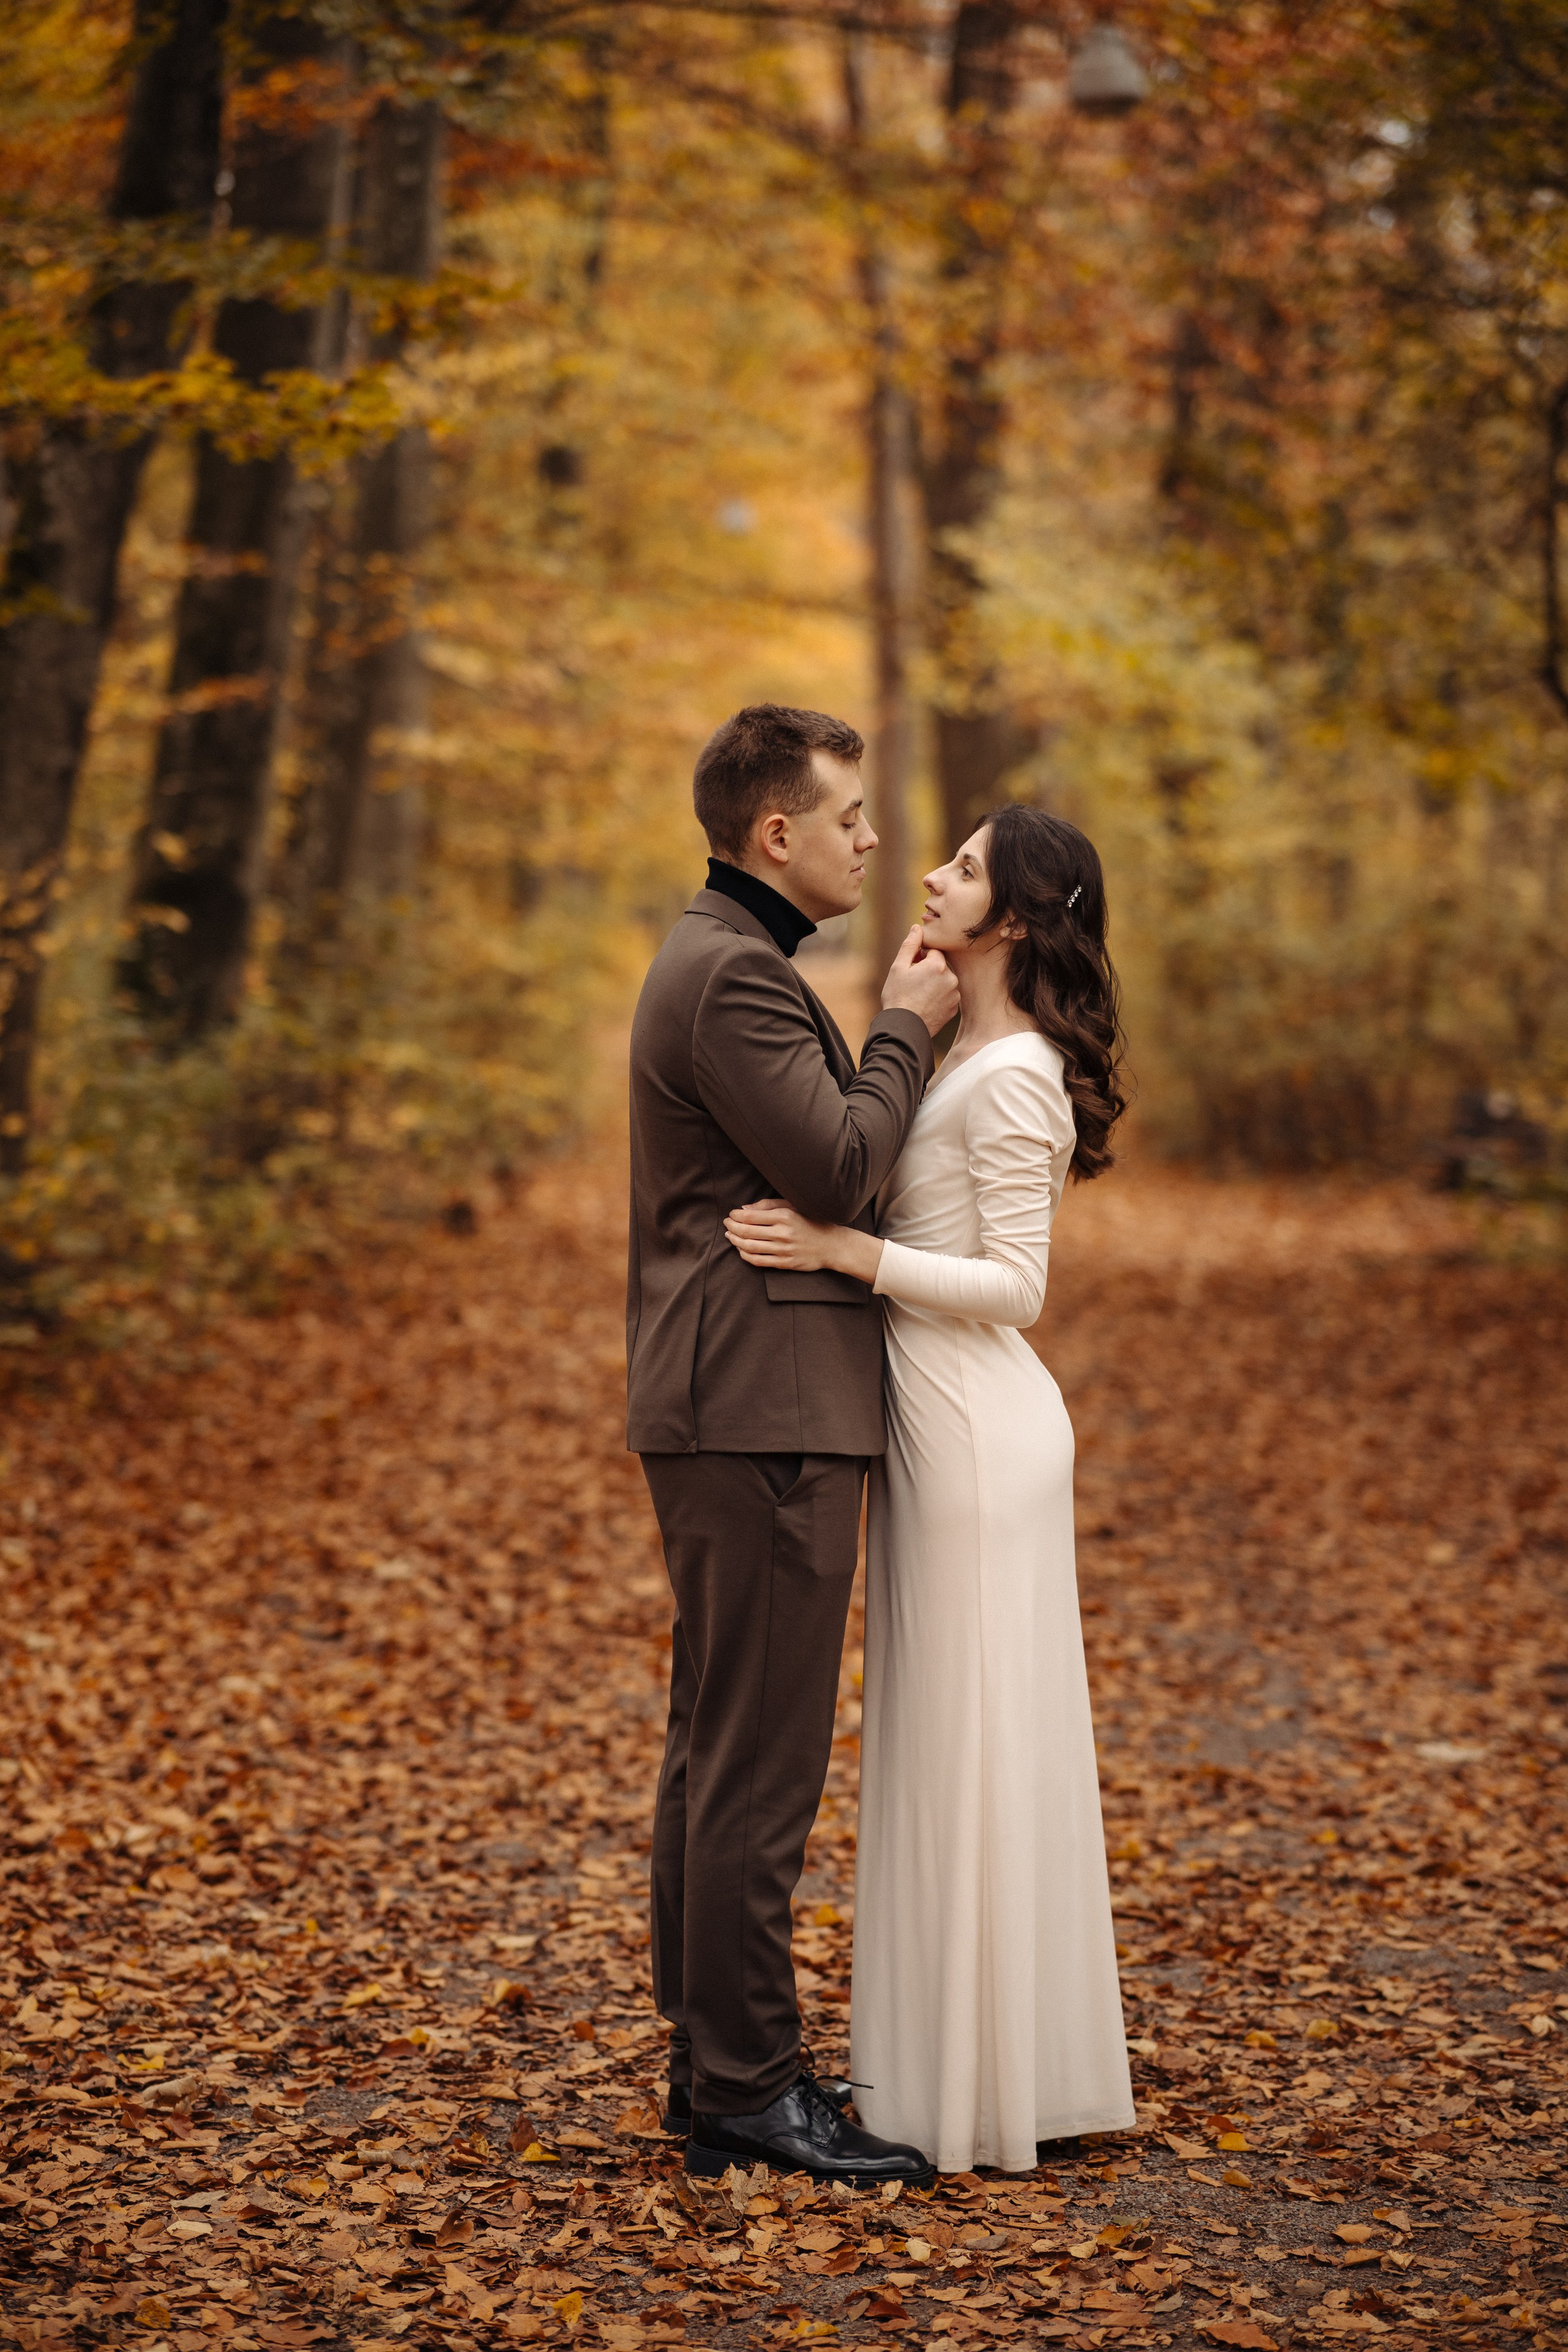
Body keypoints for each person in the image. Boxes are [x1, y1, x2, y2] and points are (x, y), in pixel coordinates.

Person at [725, 805, 1136, 2175]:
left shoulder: (1015, 1071)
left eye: (961, 868)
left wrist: (845, 1254)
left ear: (1012, 919)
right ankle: (945, 2067)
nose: (927, 874)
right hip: (930, 1419)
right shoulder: (968, 1046)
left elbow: (1013, 1290)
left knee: (970, 1744)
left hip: (973, 1426)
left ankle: (980, 2085)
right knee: (944, 1744)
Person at [627, 703, 959, 2187]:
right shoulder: (732, 980)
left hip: (743, 1400)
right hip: (761, 1406)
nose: (871, 840)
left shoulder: (723, 963)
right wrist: (907, 1028)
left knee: (720, 1752)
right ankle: (751, 2088)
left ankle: (716, 2071)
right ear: (777, 834)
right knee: (754, 1768)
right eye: (848, 819)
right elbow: (836, 1161)